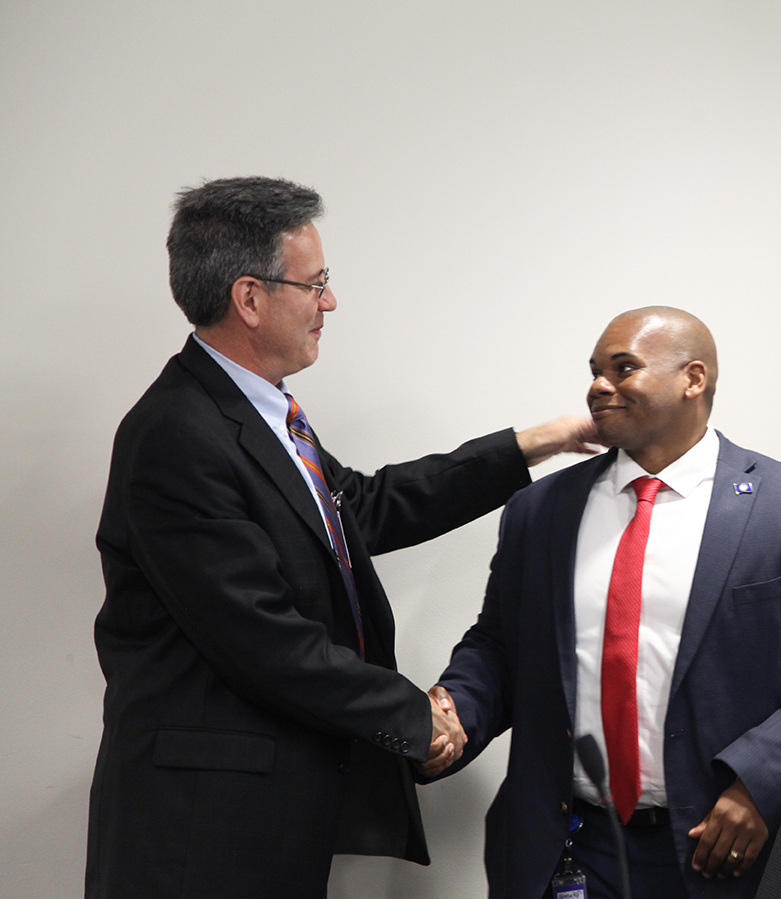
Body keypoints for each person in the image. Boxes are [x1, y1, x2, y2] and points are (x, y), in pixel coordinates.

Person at [87, 176, 596, 899]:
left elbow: (365, 505)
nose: (330, 301)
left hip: (264, 813)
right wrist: (414, 715)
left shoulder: (259, 414)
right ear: (251, 297)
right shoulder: (178, 433)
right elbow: (264, 639)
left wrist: (539, 442)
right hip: (199, 829)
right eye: (316, 282)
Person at [429, 306, 781, 899]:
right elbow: (498, 646)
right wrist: (452, 711)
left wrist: (760, 782)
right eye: (595, 370)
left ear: (692, 379)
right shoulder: (540, 510)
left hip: (723, 851)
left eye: (624, 368)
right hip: (568, 847)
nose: (600, 385)